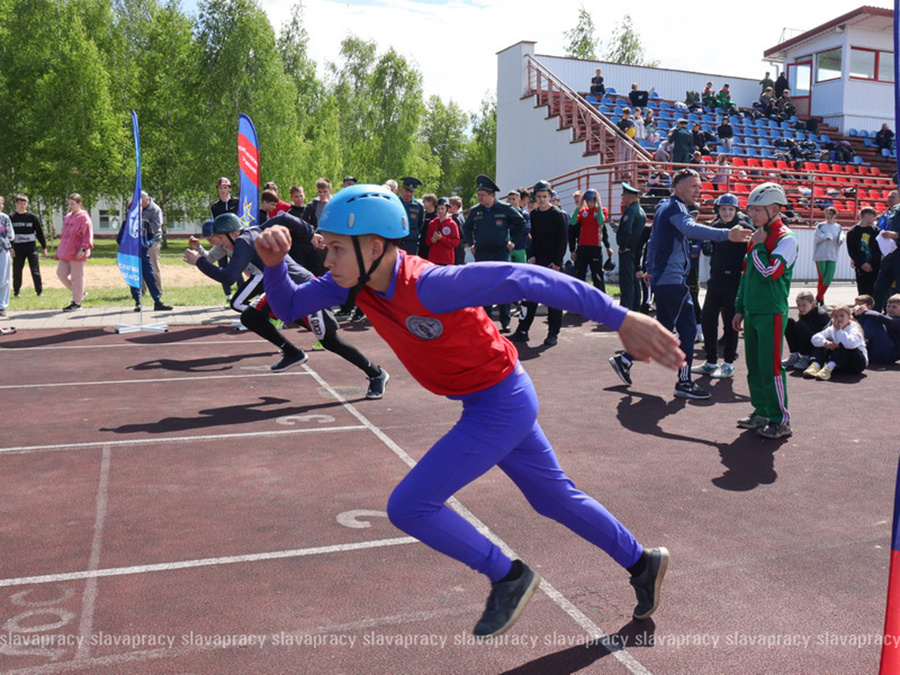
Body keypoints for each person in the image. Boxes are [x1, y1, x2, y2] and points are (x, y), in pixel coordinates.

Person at [255, 183, 682, 638]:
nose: (326, 260)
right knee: (553, 497)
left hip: (501, 401)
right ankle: (642, 562)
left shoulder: (431, 284)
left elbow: (527, 278)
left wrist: (620, 317)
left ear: (374, 248)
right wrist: (274, 265)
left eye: (336, 249)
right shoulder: (356, 284)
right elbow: (287, 307)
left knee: (410, 506)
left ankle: (508, 576)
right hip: (489, 399)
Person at [185, 212, 389, 396]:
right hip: (281, 291)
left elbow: (229, 277)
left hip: (303, 289)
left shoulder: (243, 242)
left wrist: (199, 262)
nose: (222, 245)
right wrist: (310, 234)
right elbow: (283, 218)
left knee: (329, 341)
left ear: (232, 233)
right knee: (250, 316)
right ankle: (293, 352)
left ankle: (376, 373)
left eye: (221, 239)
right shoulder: (256, 231)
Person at [609, 169, 751, 400]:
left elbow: (655, 240)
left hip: (667, 279)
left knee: (665, 329)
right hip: (670, 280)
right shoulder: (674, 207)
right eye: (694, 186)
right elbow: (691, 229)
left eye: (699, 185)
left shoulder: (669, 207)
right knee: (686, 328)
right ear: (679, 187)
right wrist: (727, 234)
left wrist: (651, 269)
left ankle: (624, 359)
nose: (699, 190)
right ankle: (683, 382)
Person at [732, 182, 798, 439]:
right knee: (755, 366)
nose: (751, 214)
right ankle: (761, 411)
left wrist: (759, 246)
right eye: (750, 209)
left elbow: (771, 272)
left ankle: (781, 419)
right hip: (752, 311)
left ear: (773, 208)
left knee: (771, 368)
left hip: (772, 311)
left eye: (756, 210)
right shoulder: (758, 235)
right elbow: (745, 276)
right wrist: (739, 308)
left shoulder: (786, 239)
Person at [692, 194, 753, 379]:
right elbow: (707, 245)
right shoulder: (715, 226)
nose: (727, 212)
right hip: (715, 281)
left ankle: (728, 364)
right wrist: (706, 246)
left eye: (730, 209)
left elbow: (756, 242)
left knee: (730, 324)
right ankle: (711, 362)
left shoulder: (744, 228)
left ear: (736, 211)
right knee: (708, 319)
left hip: (733, 282)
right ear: (717, 210)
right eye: (723, 209)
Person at [463, 174, 527, 333]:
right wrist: (471, 244)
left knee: (502, 286)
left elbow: (521, 224)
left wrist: (513, 242)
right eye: (478, 195)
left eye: (482, 195)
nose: (479, 198)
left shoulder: (505, 208)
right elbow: (467, 227)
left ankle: (505, 321)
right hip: (482, 253)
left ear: (491, 195)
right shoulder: (476, 211)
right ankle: (486, 320)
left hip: (500, 252)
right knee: (484, 287)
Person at [510, 180, 568, 346]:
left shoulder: (558, 215)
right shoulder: (534, 215)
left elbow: (562, 241)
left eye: (545, 196)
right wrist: (533, 255)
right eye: (539, 197)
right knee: (530, 298)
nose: (542, 200)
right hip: (538, 261)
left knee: (553, 300)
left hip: (553, 263)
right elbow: (532, 239)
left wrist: (557, 262)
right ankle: (523, 330)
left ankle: (553, 333)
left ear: (550, 196)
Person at [116, 201, 173, 313]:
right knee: (134, 278)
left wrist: (148, 244)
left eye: (140, 208)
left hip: (144, 255)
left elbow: (152, 236)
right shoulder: (126, 224)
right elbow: (119, 239)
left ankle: (157, 301)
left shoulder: (145, 223)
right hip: (132, 256)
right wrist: (127, 245)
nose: (139, 210)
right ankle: (138, 301)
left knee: (150, 277)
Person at [802, 305, 867, 380]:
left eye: (842, 316)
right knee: (821, 343)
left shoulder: (854, 329)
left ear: (849, 318)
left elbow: (850, 344)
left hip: (856, 364)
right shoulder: (831, 329)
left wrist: (839, 331)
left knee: (843, 345)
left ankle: (829, 368)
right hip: (841, 364)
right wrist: (826, 343)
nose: (839, 319)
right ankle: (816, 365)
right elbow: (814, 338)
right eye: (836, 316)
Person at [56, 194, 93, 312]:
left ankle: (77, 302)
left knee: (77, 277)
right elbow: (64, 235)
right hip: (66, 252)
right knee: (60, 274)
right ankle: (80, 293)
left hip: (78, 253)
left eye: (73, 204)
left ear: (79, 204)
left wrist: (83, 249)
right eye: (69, 204)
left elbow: (88, 235)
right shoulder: (67, 217)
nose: (70, 206)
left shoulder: (84, 218)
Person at [570, 189, 611, 293]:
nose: (589, 203)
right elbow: (573, 221)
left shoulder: (602, 210)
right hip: (582, 247)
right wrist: (579, 206)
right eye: (587, 201)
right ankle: (579, 299)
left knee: (597, 275)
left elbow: (601, 221)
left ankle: (600, 300)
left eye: (591, 201)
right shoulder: (583, 211)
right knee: (580, 274)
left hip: (595, 247)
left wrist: (599, 204)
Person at [782, 289, 830, 372]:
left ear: (813, 303)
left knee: (800, 325)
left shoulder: (822, 315)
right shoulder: (805, 314)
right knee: (788, 321)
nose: (801, 308)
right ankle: (794, 355)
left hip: (817, 347)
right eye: (799, 305)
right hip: (805, 343)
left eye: (804, 305)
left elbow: (825, 336)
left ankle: (806, 357)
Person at [616, 183, 647, 311]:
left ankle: (625, 310)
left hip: (628, 250)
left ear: (629, 196)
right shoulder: (641, 210)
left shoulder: (630, 210)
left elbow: (626, 229)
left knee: (627, 282)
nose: (622, 197)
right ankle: (634, 308)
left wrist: (623, 246)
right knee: (635, 281)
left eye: (624, 195)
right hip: (636, 249)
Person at [10, 194, 47, 298]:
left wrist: (44, 247)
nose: (22, 205)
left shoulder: (32, 217)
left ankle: (39, 292)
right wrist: (10, 248)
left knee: (35, 270)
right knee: (17, 270)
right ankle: (16, 292)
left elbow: (39, 233)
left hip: (31, 248)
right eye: (20, 203)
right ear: (16, 204)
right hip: (17, 248)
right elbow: (8, 234)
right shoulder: (12, 218)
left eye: (24, 203)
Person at [210, 177, 238, 301]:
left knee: (236, 267)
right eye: (221, 188)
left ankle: (241, 295)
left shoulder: (237, 202)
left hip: (234, 241)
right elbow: (213, 223)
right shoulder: (215, 206)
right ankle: (228, 296)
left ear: (229, 189)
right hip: (221, 241)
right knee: (222, 268)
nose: (223, 190)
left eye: (225, 187)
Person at [853, 293, 900, 364]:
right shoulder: (887, 317)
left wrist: (865, 311)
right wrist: (855, 315)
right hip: (878, 350)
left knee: (873, 320)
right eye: (888, 306)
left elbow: (879, 316)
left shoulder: (896, 321)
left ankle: (854, 343)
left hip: (889, 354)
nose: (890, 309)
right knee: (866, 318)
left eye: (894, 307)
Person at [811, 206, 845, 306]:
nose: (828, 216)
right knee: (822, 278)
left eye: (831, 214)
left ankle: (818, 298)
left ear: (835, 215)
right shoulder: (821, 226)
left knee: (828, 278)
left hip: (832, 255)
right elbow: (817, 237)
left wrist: (841, 239)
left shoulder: (838, 227)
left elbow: (841, 235)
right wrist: (824, 237)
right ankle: (821, 301)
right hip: (820, 256)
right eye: (827, 214)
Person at [847, 207, 882, 296]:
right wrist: (862, 263)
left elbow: (878, 249)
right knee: (862, 290)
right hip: (860, 266)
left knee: (873, 290)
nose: (874, 219)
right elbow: (852, 251)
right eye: (873, 216)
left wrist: (871, 262)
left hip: (874, 265)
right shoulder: (852, 231)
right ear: (866, 216)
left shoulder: (875, 231)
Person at [873, 198, 900, 312]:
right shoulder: (894, 210)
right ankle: (876, 316)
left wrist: (897, 235)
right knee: (880, 288)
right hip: (890, 254)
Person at [139, 191, 164, 293]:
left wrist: (142, 226)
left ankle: (158, 290)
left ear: (147, 200)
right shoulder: (137, 208)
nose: (139, 204)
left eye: (141, 202)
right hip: (140, 241)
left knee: (154, 266)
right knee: (140, 266)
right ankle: (141, 291)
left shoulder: (155, 209)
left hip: (153, 241)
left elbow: (157, 225)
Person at [424, 198, 460, 266]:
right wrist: (432, 240)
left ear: (447, 209)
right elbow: (427, 241)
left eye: (442, 208)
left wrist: (442, 238)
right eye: (438, 208)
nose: (440, 211)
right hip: (433, 259)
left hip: (447, 260)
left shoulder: (452, 224)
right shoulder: (432, 223)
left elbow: (456, 242)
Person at [398, 177, 425, 256]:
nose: (408, 194)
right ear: (402, 188)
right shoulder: (395, 203)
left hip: (410, 244)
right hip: (396, 242)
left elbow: (420, 225)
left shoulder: (418, 207)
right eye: (406, 190)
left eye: (411, 191)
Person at [0, 201, 12, 317]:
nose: (1, 206)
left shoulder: (4, 218)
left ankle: (2, 306)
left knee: (4, 279)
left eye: (2, 204)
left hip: (2, 250)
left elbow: (10, 235)